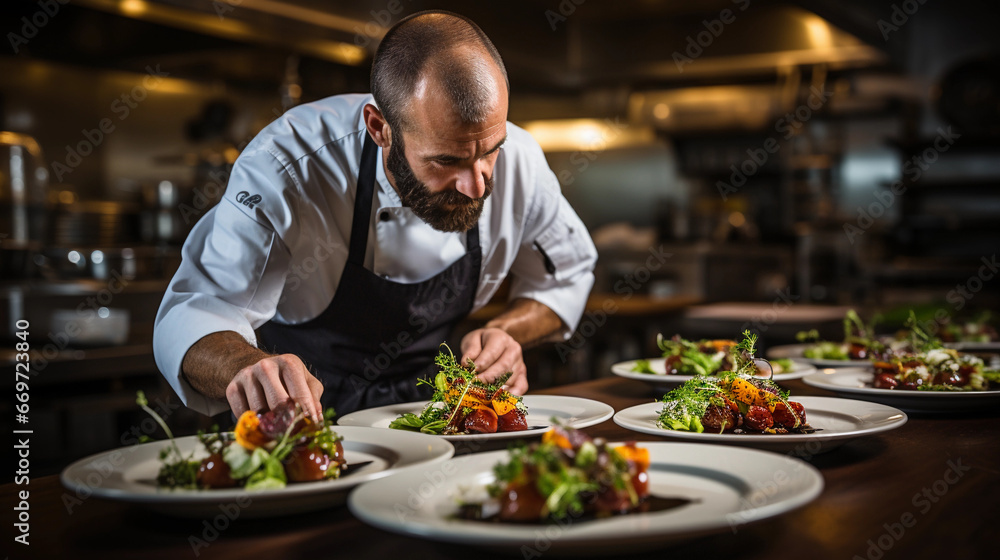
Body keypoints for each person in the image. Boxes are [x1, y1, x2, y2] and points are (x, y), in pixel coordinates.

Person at [153, 11, 597, 420]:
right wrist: (247, 366)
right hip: (304, 422)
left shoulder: (520, 160)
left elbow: (567, 275)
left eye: (489, 153)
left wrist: (506, 331)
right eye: (445, 161)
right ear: (379, 128)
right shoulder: (288, 167)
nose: (477, 185)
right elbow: (197, 312)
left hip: (436, 419)